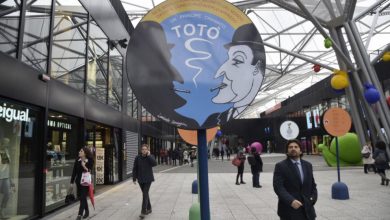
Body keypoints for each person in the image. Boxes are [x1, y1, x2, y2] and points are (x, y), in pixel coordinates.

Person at [126, 21, 197, 129]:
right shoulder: (154, 90)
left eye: (166, 51)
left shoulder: (170, 85)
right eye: (162, 52)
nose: (169, 55)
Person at [203, 23, 265, 127]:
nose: (220, 73)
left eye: (237, 61)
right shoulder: (215, 119)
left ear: (257, 67)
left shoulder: (220, 119)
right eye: (228, 59)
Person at [273, 139, 317, 220]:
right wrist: (291, 201)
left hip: (307, 210)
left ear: (300, 151)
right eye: (290, 147)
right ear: (287, 151)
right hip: (289, 210)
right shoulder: (280, 166)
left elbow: (313, 185)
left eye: (296, 147)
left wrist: (313, 199)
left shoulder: (308, 165)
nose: (293, 148)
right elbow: (278, 187)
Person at [133, 144, 157, 218]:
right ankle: (149, 208)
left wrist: (149, 156)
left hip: (148, 179)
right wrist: (134, 178)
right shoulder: (137, 157)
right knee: (145, 193)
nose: (144, 150)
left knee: (145, 193)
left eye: (145, 149)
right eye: (143, 149)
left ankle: (143, 211)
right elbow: (135, 168)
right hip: (140, 179)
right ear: (141, 150)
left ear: (148, 150)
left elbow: (155, 164)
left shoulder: (150, 157)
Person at [70, 147, 94, 220]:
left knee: (83, 197)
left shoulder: (90, 160)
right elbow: (74, 171)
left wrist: (84, 166)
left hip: (86, 182)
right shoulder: (77, 160)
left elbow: (90, 170)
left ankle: (79, 215)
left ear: (85, 153)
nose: (79, 152)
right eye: (80, 151)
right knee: (81, 197)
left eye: (81, 151)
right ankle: (87, 211)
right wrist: (71, 182)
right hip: (78, 182)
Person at [0, 138, 14, 219]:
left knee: (7, 194)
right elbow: (4, 163)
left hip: (5, 176)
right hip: (0, 176)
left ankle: (2, 211)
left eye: (8, 143)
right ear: (2, 143)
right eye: (6, 143)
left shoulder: (6, 152)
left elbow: (8, 165)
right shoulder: (1, 151)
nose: (7, 145)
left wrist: (11, 178)